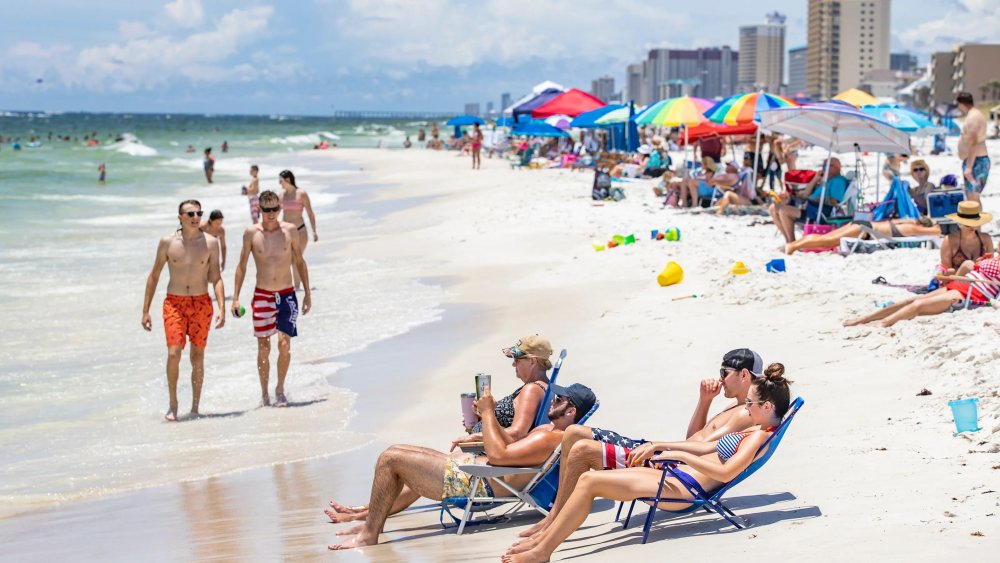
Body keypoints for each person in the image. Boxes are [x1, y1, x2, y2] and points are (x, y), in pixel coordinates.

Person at [501, 364, 792, 563]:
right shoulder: (754, 430)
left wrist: (683, 457)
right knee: (588, 478)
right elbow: (706, 446)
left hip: (682, 487)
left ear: (767, 407)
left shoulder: (758, 437)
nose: (746, 408)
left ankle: (542, 551)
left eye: (750, 404)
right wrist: (661, 445)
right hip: (675, 474)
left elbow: (726, 472)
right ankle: (543, 546)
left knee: (590, 481)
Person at [327, 383, 598, 550]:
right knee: (397, 451)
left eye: (560, 399)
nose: (553, 399)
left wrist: (488, 412)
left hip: (475, 482)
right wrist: (482, 430)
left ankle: (369, 534)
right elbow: (508, 444)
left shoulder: (551, 437)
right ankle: (373, 522)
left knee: (390, 459)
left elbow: (500, 456)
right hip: (473, 471)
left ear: (571, 411)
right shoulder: (547, 430)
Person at [141, 200, 226, 421]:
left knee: (197, 356)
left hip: (201, 303)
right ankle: (173, 404)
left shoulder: (210, 243)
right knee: (173, 353)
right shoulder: (167, 242)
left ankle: (195, 407)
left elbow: (216, 277)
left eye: (198, 213)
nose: (195, 217)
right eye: (190, 214)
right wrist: (145, 310)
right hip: (174, 303)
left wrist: (222, 307)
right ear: (180, 217)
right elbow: (154, 276)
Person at [231, 190, 311, 407]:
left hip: (286, 295)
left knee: (284, 345)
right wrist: (235, 298)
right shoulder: (251, 233)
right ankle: (265, 393)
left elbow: (300, 262)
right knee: (264, 349)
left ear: (280, 208)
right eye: (267, 209)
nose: (271, 213)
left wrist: (307, 293)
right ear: (259, 209)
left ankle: (280, 389)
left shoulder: (290, 230)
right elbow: (241, 266)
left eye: (275, 208)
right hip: (263, 295)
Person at [451, 336, 553, 448]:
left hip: (492, 453)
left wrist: (477, 435)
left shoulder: (532, 389)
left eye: (517, 359)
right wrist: (484, 416)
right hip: (487, 448)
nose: (513, 364)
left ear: (532, 361)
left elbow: (517, 434)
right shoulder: (543, 386)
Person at [769, 157, 848, 244]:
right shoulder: (825, 181)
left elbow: (834, 202)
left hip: (817, 212)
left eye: (825, 166)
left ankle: (792, 242)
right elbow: (805, 195)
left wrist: (816, 199)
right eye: (822, 166)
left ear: (836, 167)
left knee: (784, 211)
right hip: (808, 206)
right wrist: (815, 179)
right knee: (773, 208)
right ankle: (788, 240)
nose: (823, 169)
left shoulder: (838, 181)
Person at [784, 217, 941, 254]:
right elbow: (935, 231)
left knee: (825, 239)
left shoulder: (906, 221)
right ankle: (793, 246)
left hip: (862, 225)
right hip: (864, 230)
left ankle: (795, 244)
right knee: (827, 242)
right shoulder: (912, 228)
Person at [277, 170, 317, 290]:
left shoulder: (301, 193)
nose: (279, 183)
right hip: (285, 232)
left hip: (300, 231)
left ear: (288, 180)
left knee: (296, 259)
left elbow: (310, 213)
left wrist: (314, 231)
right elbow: (275, 213)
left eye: (281, 181)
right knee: (286, 259)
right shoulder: (281, 195)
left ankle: (297, 287)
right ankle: (291, 285)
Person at [938, 200, 994, 274]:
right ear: (960, 222)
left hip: (981, 280)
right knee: (967, 265)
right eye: (968, 224)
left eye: (975, 224)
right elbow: (946, 272)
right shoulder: (949, 241)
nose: (973, 227)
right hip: (957, 280)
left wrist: (982, 264)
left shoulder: (986, 239)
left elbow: (991, 268)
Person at [957, 92, 990, 203]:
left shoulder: (973, 118)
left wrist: (969, 167)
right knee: (972, 198)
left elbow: (973, 142)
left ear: (961, 104)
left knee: (973, 198)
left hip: (976, 162)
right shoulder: (974, 115)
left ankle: (978, 216)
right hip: (974, 161)